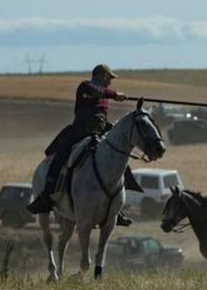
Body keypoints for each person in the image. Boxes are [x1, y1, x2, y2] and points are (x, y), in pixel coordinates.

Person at [28, 64, 135, 226]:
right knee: (61, 157)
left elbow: (101, 116)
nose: (110, 82)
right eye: (109, 78)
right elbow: (97, 92)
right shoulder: (86, 86)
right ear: (101, 75)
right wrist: (115, 95)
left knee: (119, 161)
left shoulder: (105, 95)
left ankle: (115, 207)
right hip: (80, 131)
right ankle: (47, 195)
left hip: (99, 133)